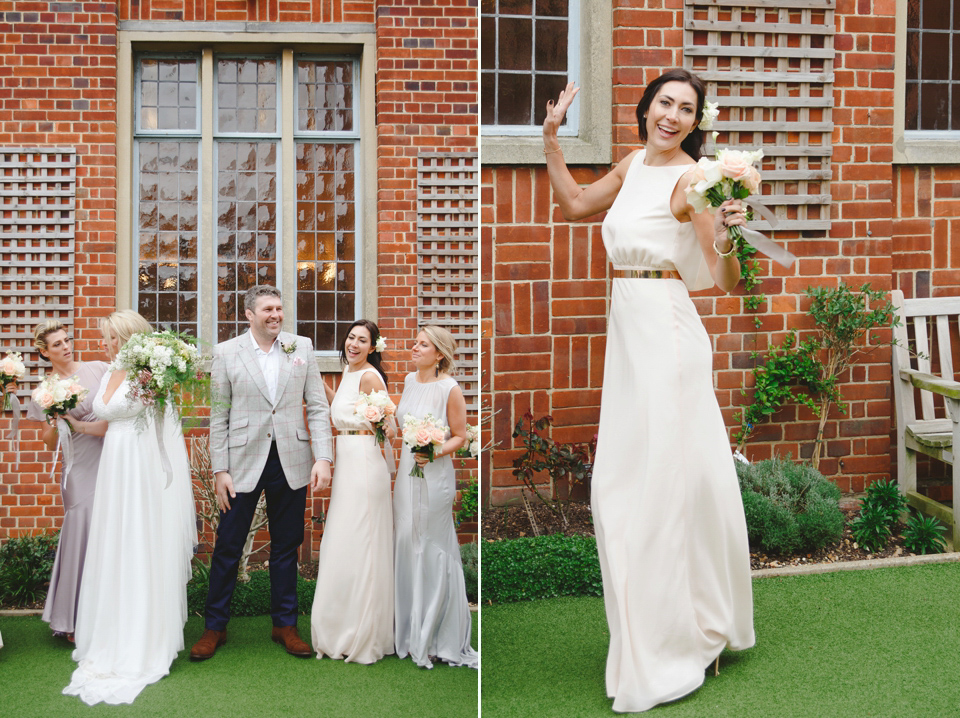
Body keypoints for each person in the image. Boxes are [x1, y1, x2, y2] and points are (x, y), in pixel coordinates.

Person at [542, 68, 755, 713]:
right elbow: (576, 205)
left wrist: (733, 232)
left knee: (661, 486)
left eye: (686, 109)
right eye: (665, 102)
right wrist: (551, 141)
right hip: (630, 336)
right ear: (645, 108)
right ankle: (667, 621)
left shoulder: (695, 180)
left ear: (697, 122)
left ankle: (687, 635)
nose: (673, 115)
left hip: (667, 334)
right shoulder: (634, 162)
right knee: (626, 485)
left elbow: (725, 281)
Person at [190, 285, 333, 661]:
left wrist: (323, 457)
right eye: (267, 309)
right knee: (227, 547)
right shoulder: (225, 353)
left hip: (292, 458)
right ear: (249, 314)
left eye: (279, 308)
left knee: (287, 546)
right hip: (241, 464)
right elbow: (217, 415)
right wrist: (219, 468)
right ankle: (214, 627)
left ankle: (285, 625)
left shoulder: (301, 347)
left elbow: (317, 407)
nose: (276, 314)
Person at [63, 310, 197, 705]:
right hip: (113, 470)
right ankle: (110, 630)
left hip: (140, 469)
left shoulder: (151, 374)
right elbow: (104, 422)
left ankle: (144, 636)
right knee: (114, 544)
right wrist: (70, 423)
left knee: (138, 542)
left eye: (109, 338)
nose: (104, 345)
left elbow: (162, 428)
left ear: (125, 338)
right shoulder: (107, 373)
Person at [393, 325, 478, 670]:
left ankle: (438, 636)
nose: (414, 348)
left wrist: (435, 451)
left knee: (430, 544)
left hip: (435, 475)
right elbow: (402, 425)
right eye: (416, 343)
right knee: (406, 539)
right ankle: (412, 632)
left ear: (439, 354)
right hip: (406, 474)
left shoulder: (450, 389)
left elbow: (460, 435)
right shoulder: (410, 381)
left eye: (422, 345)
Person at [310, 319, 394, 663]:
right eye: (351, 338)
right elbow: (341, 409)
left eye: (362, 340)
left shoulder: (370, 376)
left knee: (362, 539)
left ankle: (364, 631)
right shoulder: (348, 374)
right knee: (345, 538)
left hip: (364, 463)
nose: (354, 344)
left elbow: (387, 426)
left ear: (373, 348)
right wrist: (313, 380)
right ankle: (341, 622)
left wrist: (379, 422)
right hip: (347, 463)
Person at [25, 321, 109, 642]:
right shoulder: (44, 392)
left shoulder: (99, 369)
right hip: (77, 464)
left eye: (66, 340)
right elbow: (48, 441)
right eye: (57, 344)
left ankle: (106, 613)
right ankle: (73, 618)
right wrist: (57, 418)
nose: (66, 346)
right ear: (45, 352)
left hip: (107, 455)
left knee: (108, 529)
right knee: (80, 528)